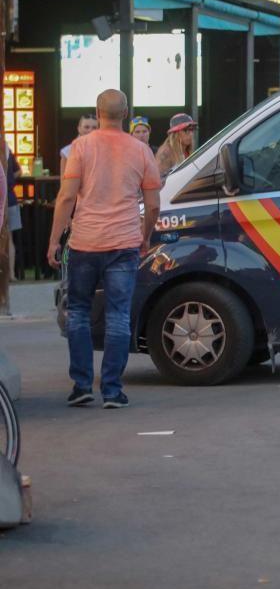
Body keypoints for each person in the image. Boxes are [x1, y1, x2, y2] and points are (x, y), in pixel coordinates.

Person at [47, 89, 161, 409]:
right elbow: (152, 205)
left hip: (84, 242)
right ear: (125, 114)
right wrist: (145, 235)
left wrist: (55, 240)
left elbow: (67, 198)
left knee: (79, 312)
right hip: (125, 243)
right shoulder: (141, 151)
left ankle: (82, 384)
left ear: (98, 113)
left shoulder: (80, 148)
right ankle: (112, 390)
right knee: (118, 316)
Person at [155, 112, 197, 178]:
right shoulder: (165, 153)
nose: (191, 134)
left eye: (192, 130)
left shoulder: (186, 149)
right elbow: (158, 182)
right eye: (186, 130)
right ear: (175, 134)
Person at [5, 144, 21, 276]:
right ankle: (11, 274)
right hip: (10, 198)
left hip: (6, 200)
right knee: (9, 238)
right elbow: (18, 171)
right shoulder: (7, 150)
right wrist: (9, 180)